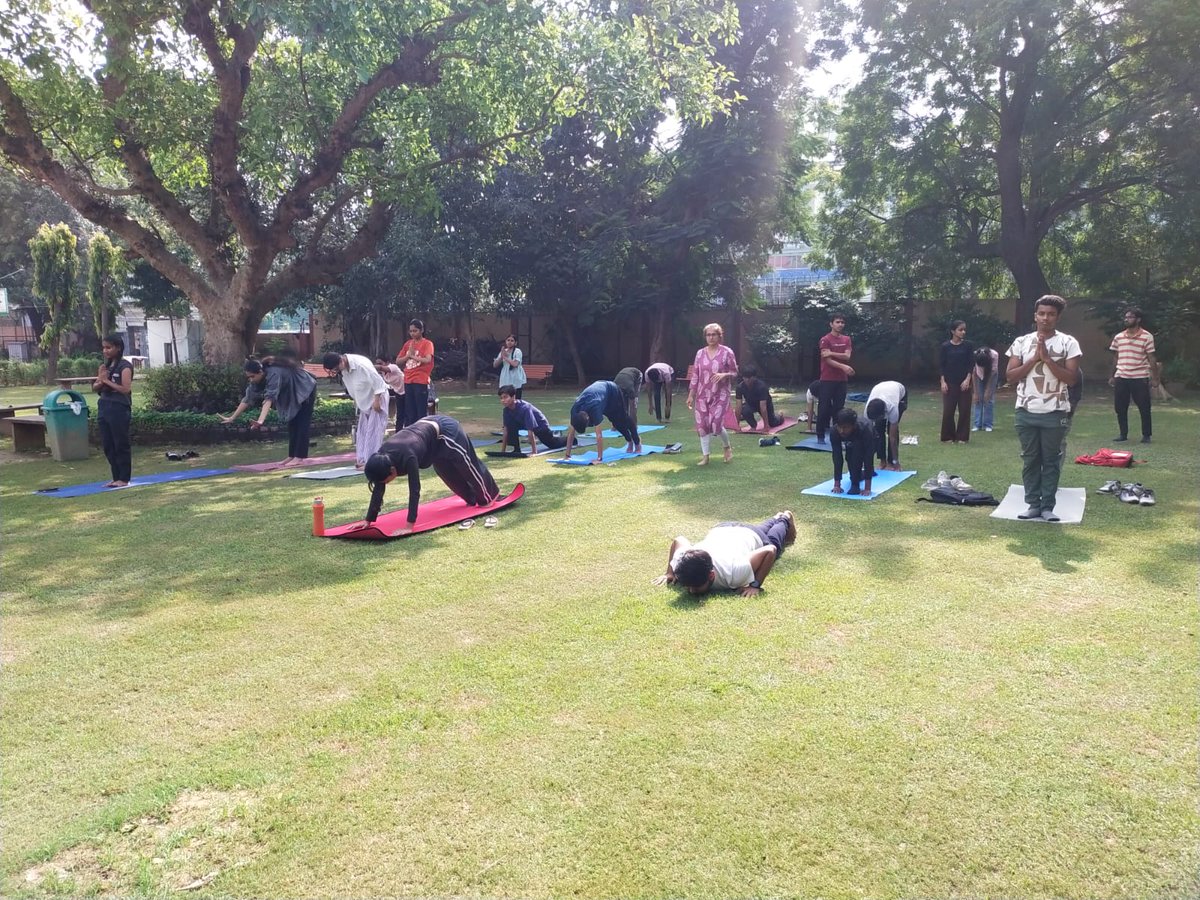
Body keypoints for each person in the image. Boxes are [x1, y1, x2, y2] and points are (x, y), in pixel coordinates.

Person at [1005, 294, 1082, 522]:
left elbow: (1071, 379)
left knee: (1050, 461)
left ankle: (1047, 506)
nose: (1045, 318)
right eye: (1042, 314)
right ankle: (1032, 505)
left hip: (1055, 412)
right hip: (1025, 412)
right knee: (1030, 460)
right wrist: (1033, 360)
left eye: (1051, 314)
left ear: (1057, 317)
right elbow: (1010, 376)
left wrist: (1048, 359)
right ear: (1035, 316)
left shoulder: (1069, 342)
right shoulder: (1021, 342)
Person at [360, 415, 499, 535]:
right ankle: (472, 497)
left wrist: (409, 525)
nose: (385, 483)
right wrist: (369, 519)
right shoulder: (382, 458)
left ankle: (488, 496)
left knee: (465, 464)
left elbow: (414, 490)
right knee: (443, 470)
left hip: (446, 430)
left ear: (392, 470)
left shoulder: (408, 456)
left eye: (387, 480)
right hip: (429, 442)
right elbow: (379, 485)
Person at [653, 511, 796, 597]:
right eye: (688, 586)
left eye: (696, 587)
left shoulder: (734, 572)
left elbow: (769, 551)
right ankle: (775, 517)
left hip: (749, 534)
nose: (691, 591)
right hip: (724, 529)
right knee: (755, 530)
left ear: (711, 575)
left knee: (773, 543)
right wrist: (670, 573)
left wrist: (755, 585)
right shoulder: (684, 560)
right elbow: (679, 540)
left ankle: (784, 518)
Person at [219, 356, 317, 466]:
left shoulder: (273, 374)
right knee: (292, 423)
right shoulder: (257, 380)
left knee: (302, 422)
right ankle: (292, 456)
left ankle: (299, 457)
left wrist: (261, 420)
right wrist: (232, 417)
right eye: (249, 377)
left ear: (260, 372)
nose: (251, 379)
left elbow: (269, 398)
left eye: (252, 376)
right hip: (291, 391)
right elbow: (247, 399)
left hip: (305, 387)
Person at [324, 351, 389, 467]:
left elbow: (378, 383)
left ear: (341, 361)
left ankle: (371, 462)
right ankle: (362, 459)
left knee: (374, 432)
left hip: (377, 397)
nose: (337, 371)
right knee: (362, 432)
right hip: (364, 401)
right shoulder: (344, 370)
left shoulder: (361, 365)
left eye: (336, 368)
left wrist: (377, 400)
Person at [688, 323, 738, 465]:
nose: (710, 337)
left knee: (715, 424)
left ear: (719, 336)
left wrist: (724, 374)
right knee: (703, 426)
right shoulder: (700, 353)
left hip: (720, 394)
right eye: (708, 335)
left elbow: (735, 373)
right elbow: (696, 375)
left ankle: (727, 447)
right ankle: (706, 457)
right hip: (702, 394)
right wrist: (691, 394)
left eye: (713, 334)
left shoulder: (727, 352)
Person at [1108, 307, 1157, 444]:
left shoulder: (1147, 336)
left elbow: (1151, 357)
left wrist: (1155, 378)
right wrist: (1112, 375)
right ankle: (1123, 434)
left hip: (1139, 376)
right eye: (1126, 317)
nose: (1127, 319)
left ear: (1138, 319)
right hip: (1121, 376)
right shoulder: (1119, 337)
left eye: (1130, 317)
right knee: (1120, 407)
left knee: (1144, 407)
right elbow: (1115, 357)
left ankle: (1146, 435)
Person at [563, 380, 639, 463]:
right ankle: (629, 441)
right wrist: (567, 455)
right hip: (601, 395)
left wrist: (599, 459)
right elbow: (571, 434)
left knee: (621, 420)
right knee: (615, 423)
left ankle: (637, 443)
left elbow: (599, 435)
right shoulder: (575, 411)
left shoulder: (595, 407)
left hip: (612, 392)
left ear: (588, 418)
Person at [93, 333, 134, 487]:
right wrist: (100, 382)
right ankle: (115, 477)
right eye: (104, 348)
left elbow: (125, 389)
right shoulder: (104, 367)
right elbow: (96, 386)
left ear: (118, 348)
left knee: (120, 443)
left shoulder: (125, 366)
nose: (105, 351)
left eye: (109, 347)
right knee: (108, 445)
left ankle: (123, 478)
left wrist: (106, 381)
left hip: (119, 407)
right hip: (104, 405)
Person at [815, 313, 853, 444]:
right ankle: (820, 435)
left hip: (841, 380)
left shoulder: (847, 339)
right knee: (824, 407)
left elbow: (847, 356)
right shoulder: (825, 339)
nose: (840, 324)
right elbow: (827, 360)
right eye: (837, 322)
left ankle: (838, 435)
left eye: (842, 322)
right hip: (827, 379)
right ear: (831, 324)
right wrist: (843, 366)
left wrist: (831, 352)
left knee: (839, 409)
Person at [498, 385, 566, 454]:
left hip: (541, 427)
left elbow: (530, 431)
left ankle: (570, 439)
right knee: (510, 426)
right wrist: (502, 452)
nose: (503, 400)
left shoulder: (525, 408)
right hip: (524, 425)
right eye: (501, 398)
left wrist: (534, 452)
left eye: (505, 397)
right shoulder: (506, 410)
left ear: (513, 397)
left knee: (553, 444)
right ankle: (516, 449)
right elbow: (506, 430)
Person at [939, 320, 975, 443]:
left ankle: (962, 437)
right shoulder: (945, 347)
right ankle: (948, 436)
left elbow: (971, 364)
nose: (963, 332)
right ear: (953, 331)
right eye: (960, 329)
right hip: (949, 382)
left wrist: (967, 379)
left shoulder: (968, 346)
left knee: (965, 410)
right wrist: (943, 382)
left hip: (964, 382)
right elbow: (942, 365)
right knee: (948, 410)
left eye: (964, 329)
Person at [397, 319, 434, 428]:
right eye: (411, 331)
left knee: (420, 412)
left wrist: (412, 356)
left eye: (415, 331)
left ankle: (422, 433)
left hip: (420, 380)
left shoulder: (427, 344)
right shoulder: (407, 344)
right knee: (410, 412)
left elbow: (427, 360)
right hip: (408, 380)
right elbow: (398, 361)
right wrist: (407, 356)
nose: (412, 333)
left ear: (421, 330)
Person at [830, 407, 875, 497]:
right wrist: (837, 485)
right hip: (852, 441)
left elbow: (868, 458)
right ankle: (857, 477)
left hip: (871, 439)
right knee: (849, 458)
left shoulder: (865, 430)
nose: (842, 431)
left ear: (853, 425)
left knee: (856, 456)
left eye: (845, 428)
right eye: (840, 427)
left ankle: (857, 481)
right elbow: (837, 456)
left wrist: (867, 488)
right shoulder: (835, 431)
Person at [865, 380, 907, 471]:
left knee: (891, 431)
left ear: (883, 414)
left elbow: (893, 438)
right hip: (881, 388)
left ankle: (891, 462)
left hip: (899, 393)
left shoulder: (893, 408)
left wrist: (896, 462)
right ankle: (882, 461)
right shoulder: (868, 410)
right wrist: (866, 462)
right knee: (878, 431)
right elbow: (867, 436)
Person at [735, 364, 785, 432]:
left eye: (749, 377)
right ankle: (753, 425)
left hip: (766, 405)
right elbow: (738, 407)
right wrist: (736, 425)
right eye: (745, 377)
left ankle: (780, 417)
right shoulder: (740, 387)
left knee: (773, 423)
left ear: (754, 377)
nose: (747, 380)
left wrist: (766, 425)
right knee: (744, 410)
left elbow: (763, 407)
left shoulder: (761, 387)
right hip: (751, 404)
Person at [972, 344, 1000, 432]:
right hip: (978, 376)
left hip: (991, 375)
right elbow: (974, 374)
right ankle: (977, 425)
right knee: (978, 400)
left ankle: (988, 425)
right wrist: (975, 393)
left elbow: (992, 374)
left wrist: (988, 390)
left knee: (988, 399)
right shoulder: (975, 355)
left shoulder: (994, 355)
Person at [613, 366, 643, 446]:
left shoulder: (630, 389)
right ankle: (623, 424)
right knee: (621, 405)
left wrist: (633, 428)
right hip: (623, 375)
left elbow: (632, 407)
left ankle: (635, 425)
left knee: (633, 404)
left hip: (637, 375)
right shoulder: (614, 388)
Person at [375, 355, 405, 431]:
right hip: (398, 392)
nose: (379, 365)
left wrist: (370, 366)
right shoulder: (383, 373)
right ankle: (398, 433)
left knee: (408, 413)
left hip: (407, 390)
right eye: (377, 363)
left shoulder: (393, 367)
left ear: (387, 362)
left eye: (380, 363)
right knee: (400, 414)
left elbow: (381, 368)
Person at [494, 335, 527, 399]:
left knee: (516, 398)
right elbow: (495, 365)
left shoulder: (517, 351)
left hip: (515, 376)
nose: (509, 342)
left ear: (515, 343)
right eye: (508, 340)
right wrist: (501, 356)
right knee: (506, 397)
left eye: (512, 341)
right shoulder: (503, 351)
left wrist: (505, 357)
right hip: (505, 376)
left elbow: (515, 364)